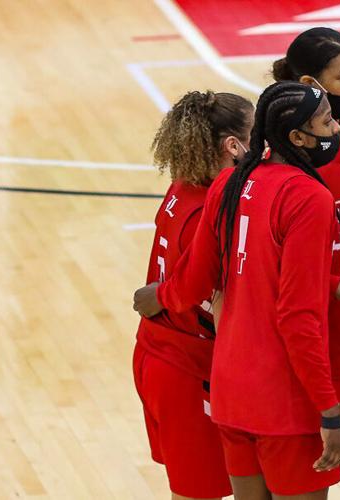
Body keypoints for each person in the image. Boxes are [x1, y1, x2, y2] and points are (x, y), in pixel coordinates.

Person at [134, 81, 340, 500]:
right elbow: (295, 315)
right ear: (298, 137)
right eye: (328, 122)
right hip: (268, 392)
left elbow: (209, 279)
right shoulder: (307, 197)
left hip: (225, 387)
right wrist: (329, 409)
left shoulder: (220, 186)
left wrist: (159, 295)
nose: (338, 129)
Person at [133, 90, 252, 500]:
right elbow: (194, 288)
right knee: (197, 494)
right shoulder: (214, 207)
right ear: (231, 145)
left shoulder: (183, 184)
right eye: (257, 132)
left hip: (158, 351)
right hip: (186, 367)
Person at [272, 27, 340, 425]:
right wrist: (339, 288)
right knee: (303, 460)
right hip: (314, 321)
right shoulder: (286, 157)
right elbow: (274, 261)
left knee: (325, 461)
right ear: (309, 84)